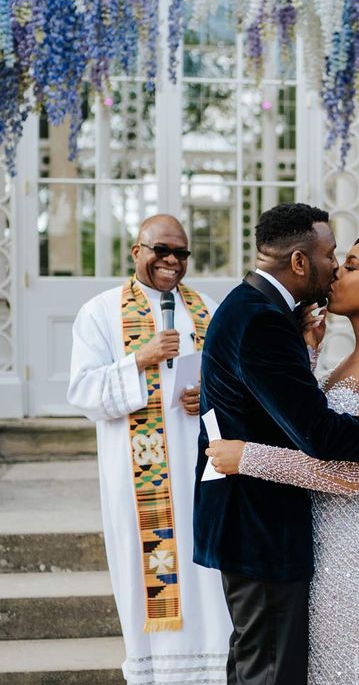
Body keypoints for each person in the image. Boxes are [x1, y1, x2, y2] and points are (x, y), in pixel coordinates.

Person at [193, 204, 359, 685]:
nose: (334, 269)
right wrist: (309, 353)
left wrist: (247, 456)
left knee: (341, 670)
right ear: (298, 262)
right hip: (312, 535)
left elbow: (347, 471)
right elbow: (311, 422)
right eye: (335, 257)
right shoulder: (324, 344)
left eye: (350, 264)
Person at [67, 215, 231, 684]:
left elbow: (238, 383)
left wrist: (212, 395)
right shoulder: (100, 312)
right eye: (161, 250)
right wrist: (141, 358)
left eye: (181, 253)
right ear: (136, 250)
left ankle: (215, 671)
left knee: (207, 580)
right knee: (148, 574)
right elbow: (81, 391)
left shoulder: (210, 310)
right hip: (141, 485)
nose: (172, 261)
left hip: (203, 473)